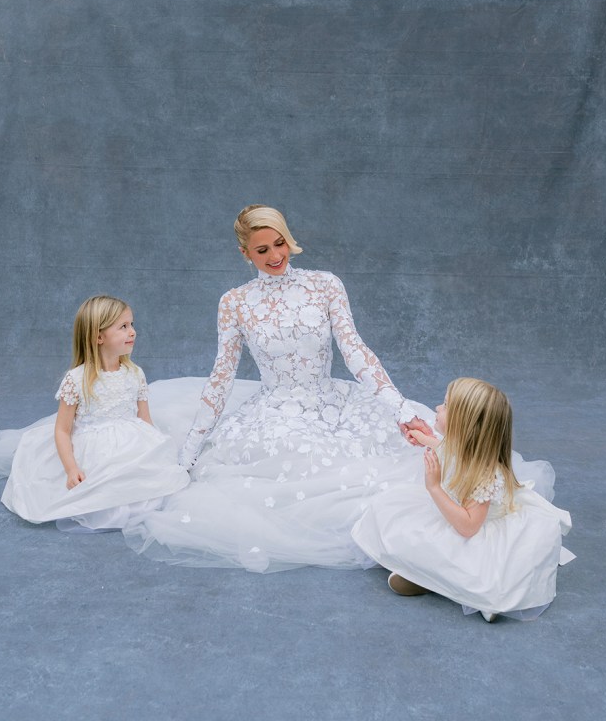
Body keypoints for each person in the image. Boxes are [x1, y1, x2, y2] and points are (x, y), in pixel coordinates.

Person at [123, 206, 472, 571]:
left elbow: (354, 350)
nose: (275, 256)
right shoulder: (234, 303)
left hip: (332, 400)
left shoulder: (325, 284)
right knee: (285, 461)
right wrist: (191, 449)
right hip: (275, 408)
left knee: (395, 455)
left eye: (280, 244)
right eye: (262, 251)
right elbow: (222, 375)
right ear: (245, 254)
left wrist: (401, 410)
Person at [352, 377, 573, 621]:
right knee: (388, 509)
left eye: (445, 406)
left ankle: (456, 588)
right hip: (460, 515)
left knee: (451, 556)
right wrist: (423, 438)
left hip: (477, 531)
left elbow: (468, 528)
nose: (437, 408)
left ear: (463, 424)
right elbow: (448, 450)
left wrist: (434, 488)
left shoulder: (486, 475)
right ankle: (429, 577)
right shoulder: (466, 448)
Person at [0, 295, 189, 533]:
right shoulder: (77, 379)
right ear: (98, 337)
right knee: (99, 494)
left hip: (132, 444)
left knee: (149, 486)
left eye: (132, 325)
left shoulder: (135, 374)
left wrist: (158, 451)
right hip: (92, 448)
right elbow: (62, 430)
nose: (132, 332)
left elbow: (145, 420)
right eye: (123, 327)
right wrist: (72, 469)